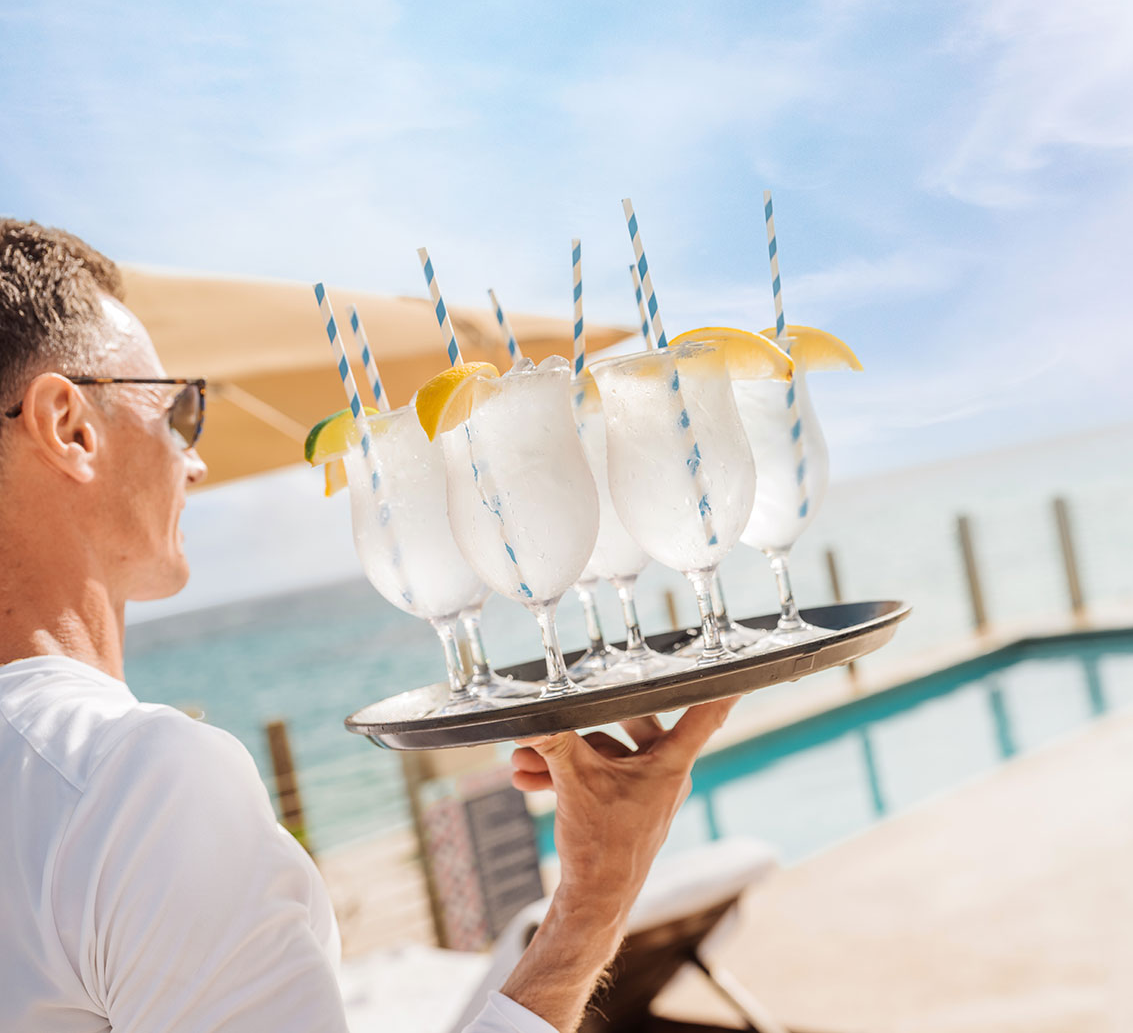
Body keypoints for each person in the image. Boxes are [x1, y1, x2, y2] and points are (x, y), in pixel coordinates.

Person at [0, 218, 737, 1033]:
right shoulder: (136, 784)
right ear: (70, 427)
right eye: (180, 410)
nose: (195, 460)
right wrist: (595, 897)